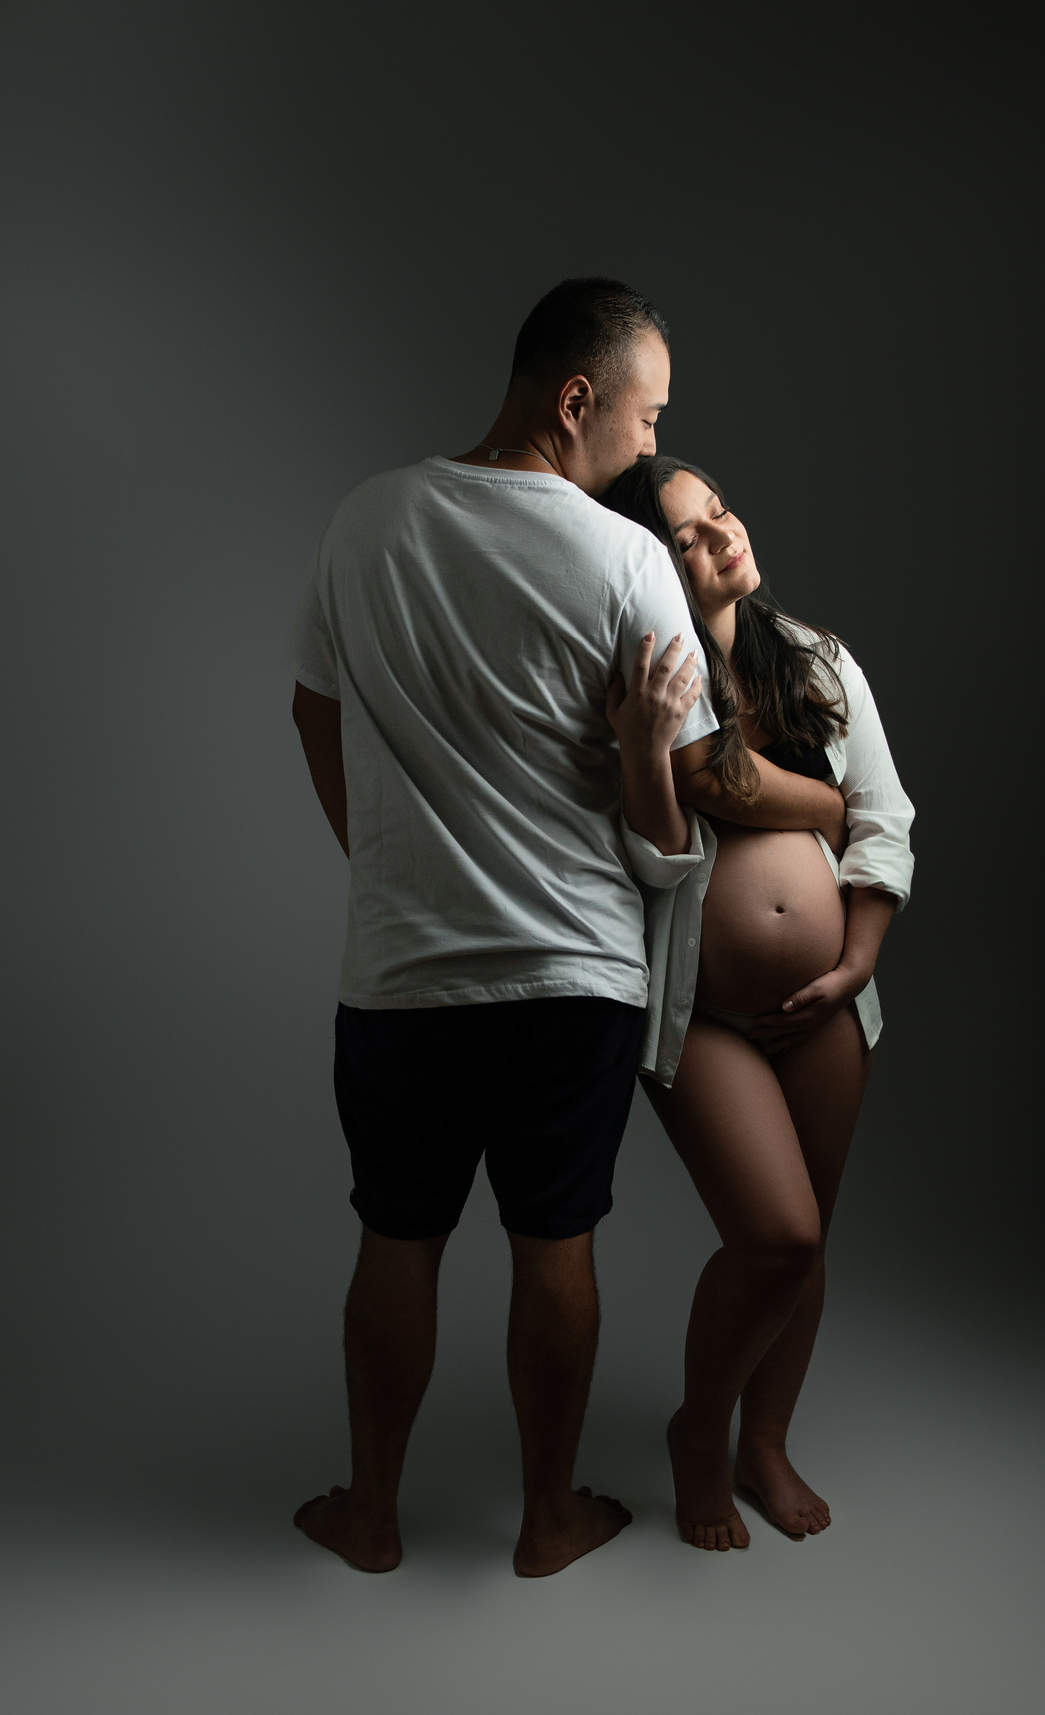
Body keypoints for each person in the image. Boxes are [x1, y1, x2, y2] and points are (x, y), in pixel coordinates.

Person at [287, 279, 746, 1579]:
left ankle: (371, 1515)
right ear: (576, 398)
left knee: (396, 1236)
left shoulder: (367, 518)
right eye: (647, 417)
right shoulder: (626, 561)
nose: (652, 445)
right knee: (558, 1244)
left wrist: (383, 864)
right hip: (575, 975)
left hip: (404, 973)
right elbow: (687, 796)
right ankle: (549, 1519)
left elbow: (313, 708)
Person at [601, 455, 914, 1552]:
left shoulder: (817, 660)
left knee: (810, 1239)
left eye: (718, 513)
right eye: (684, 539)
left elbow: (883, 817)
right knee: (774, 1236)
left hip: (828, 1001)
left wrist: (856, 962)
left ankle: (763, 1444)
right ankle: (700, 1431)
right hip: (703, 1008)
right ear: (651, 566)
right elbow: (654, 861)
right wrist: (647, 750)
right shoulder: (648, 682)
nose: (719, 537)